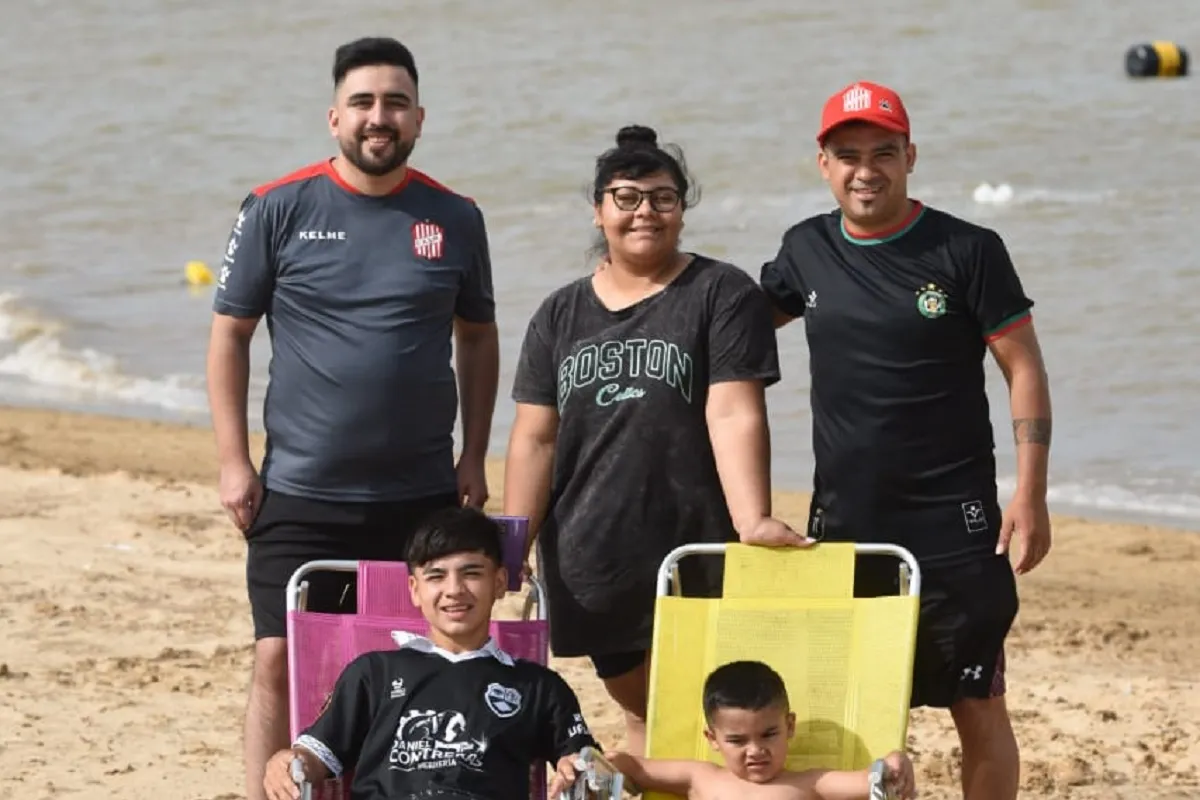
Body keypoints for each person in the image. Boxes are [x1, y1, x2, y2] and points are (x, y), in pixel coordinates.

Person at [206, 36, 500, 800]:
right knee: (278, 656)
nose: (380, 117)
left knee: (420, 656)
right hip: (302, 490)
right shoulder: (277, 206)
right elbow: (230, 334)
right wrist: (235, 462)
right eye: (364, 103)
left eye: (395, 103)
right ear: (335, 116)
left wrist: (474, 455)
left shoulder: (456, 216)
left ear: (419, 118)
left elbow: (478, 335)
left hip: (420, 489)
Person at [758, 81, 1053, 800]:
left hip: (957, 522)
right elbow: (730, 338)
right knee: (855, 709)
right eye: (849, 154)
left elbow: (1023, 367)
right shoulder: (805, 249)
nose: (867, 170)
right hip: (848, 523)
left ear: (910, 156)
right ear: (822, 163)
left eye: (884, 153)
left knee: (976, 701)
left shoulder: (968, 249)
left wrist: (1031, 493)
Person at [504, 124, 810, 758]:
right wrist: (513, 545)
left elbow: (733, 411)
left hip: (693, 544)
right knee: (645, 717)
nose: (646, 212)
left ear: (682, 207)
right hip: (591, 556)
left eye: (663, 198)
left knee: (707, 718)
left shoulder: (720, 294)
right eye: (627, 197)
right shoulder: (559, 315)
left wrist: (751, 519)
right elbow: (535, 439)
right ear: (598, 209)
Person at [262, 506, 600, 800]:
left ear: (498, 582)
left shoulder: (536, 686)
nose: (454, 590)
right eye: (436, 576)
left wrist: (581, 766)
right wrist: (288, 761)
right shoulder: (374, 672)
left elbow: (587, 763)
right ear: (414, 590)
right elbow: (315, 755)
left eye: (471, 573)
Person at [606, 660, 916, 800]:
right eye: (737, 740)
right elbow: (635, 767)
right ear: (712, 739)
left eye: (769, 734)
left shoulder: (810, 783)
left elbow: (870, 780)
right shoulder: (701, 777)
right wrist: (604, 768)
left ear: (789, 726)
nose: (755, 750)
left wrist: (893, 763)